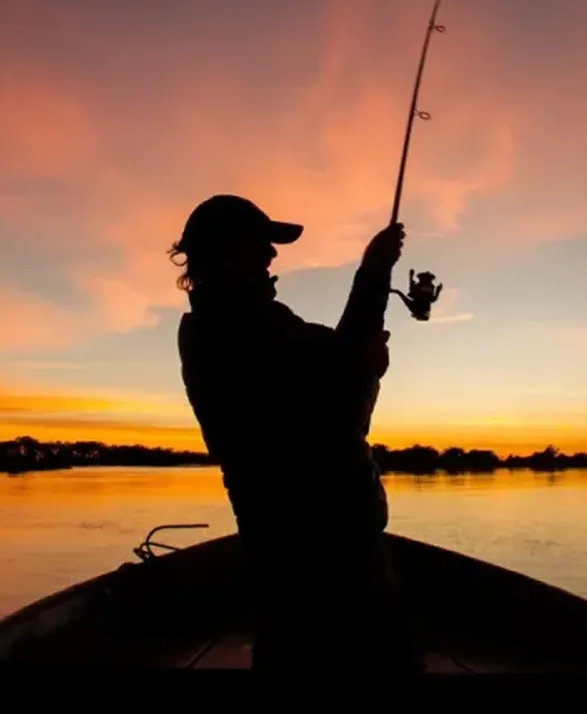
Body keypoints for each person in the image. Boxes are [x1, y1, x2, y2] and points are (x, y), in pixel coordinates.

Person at [171, 194, 419, 675]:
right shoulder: (241, 328)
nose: (272, 255)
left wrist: (363, 343)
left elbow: (341, 363)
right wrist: (373, 273)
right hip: (323, 547)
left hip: (286, 545)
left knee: (288, 648)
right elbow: (343, 383)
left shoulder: (233, 323)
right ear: (224, 251)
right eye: (260, 244)